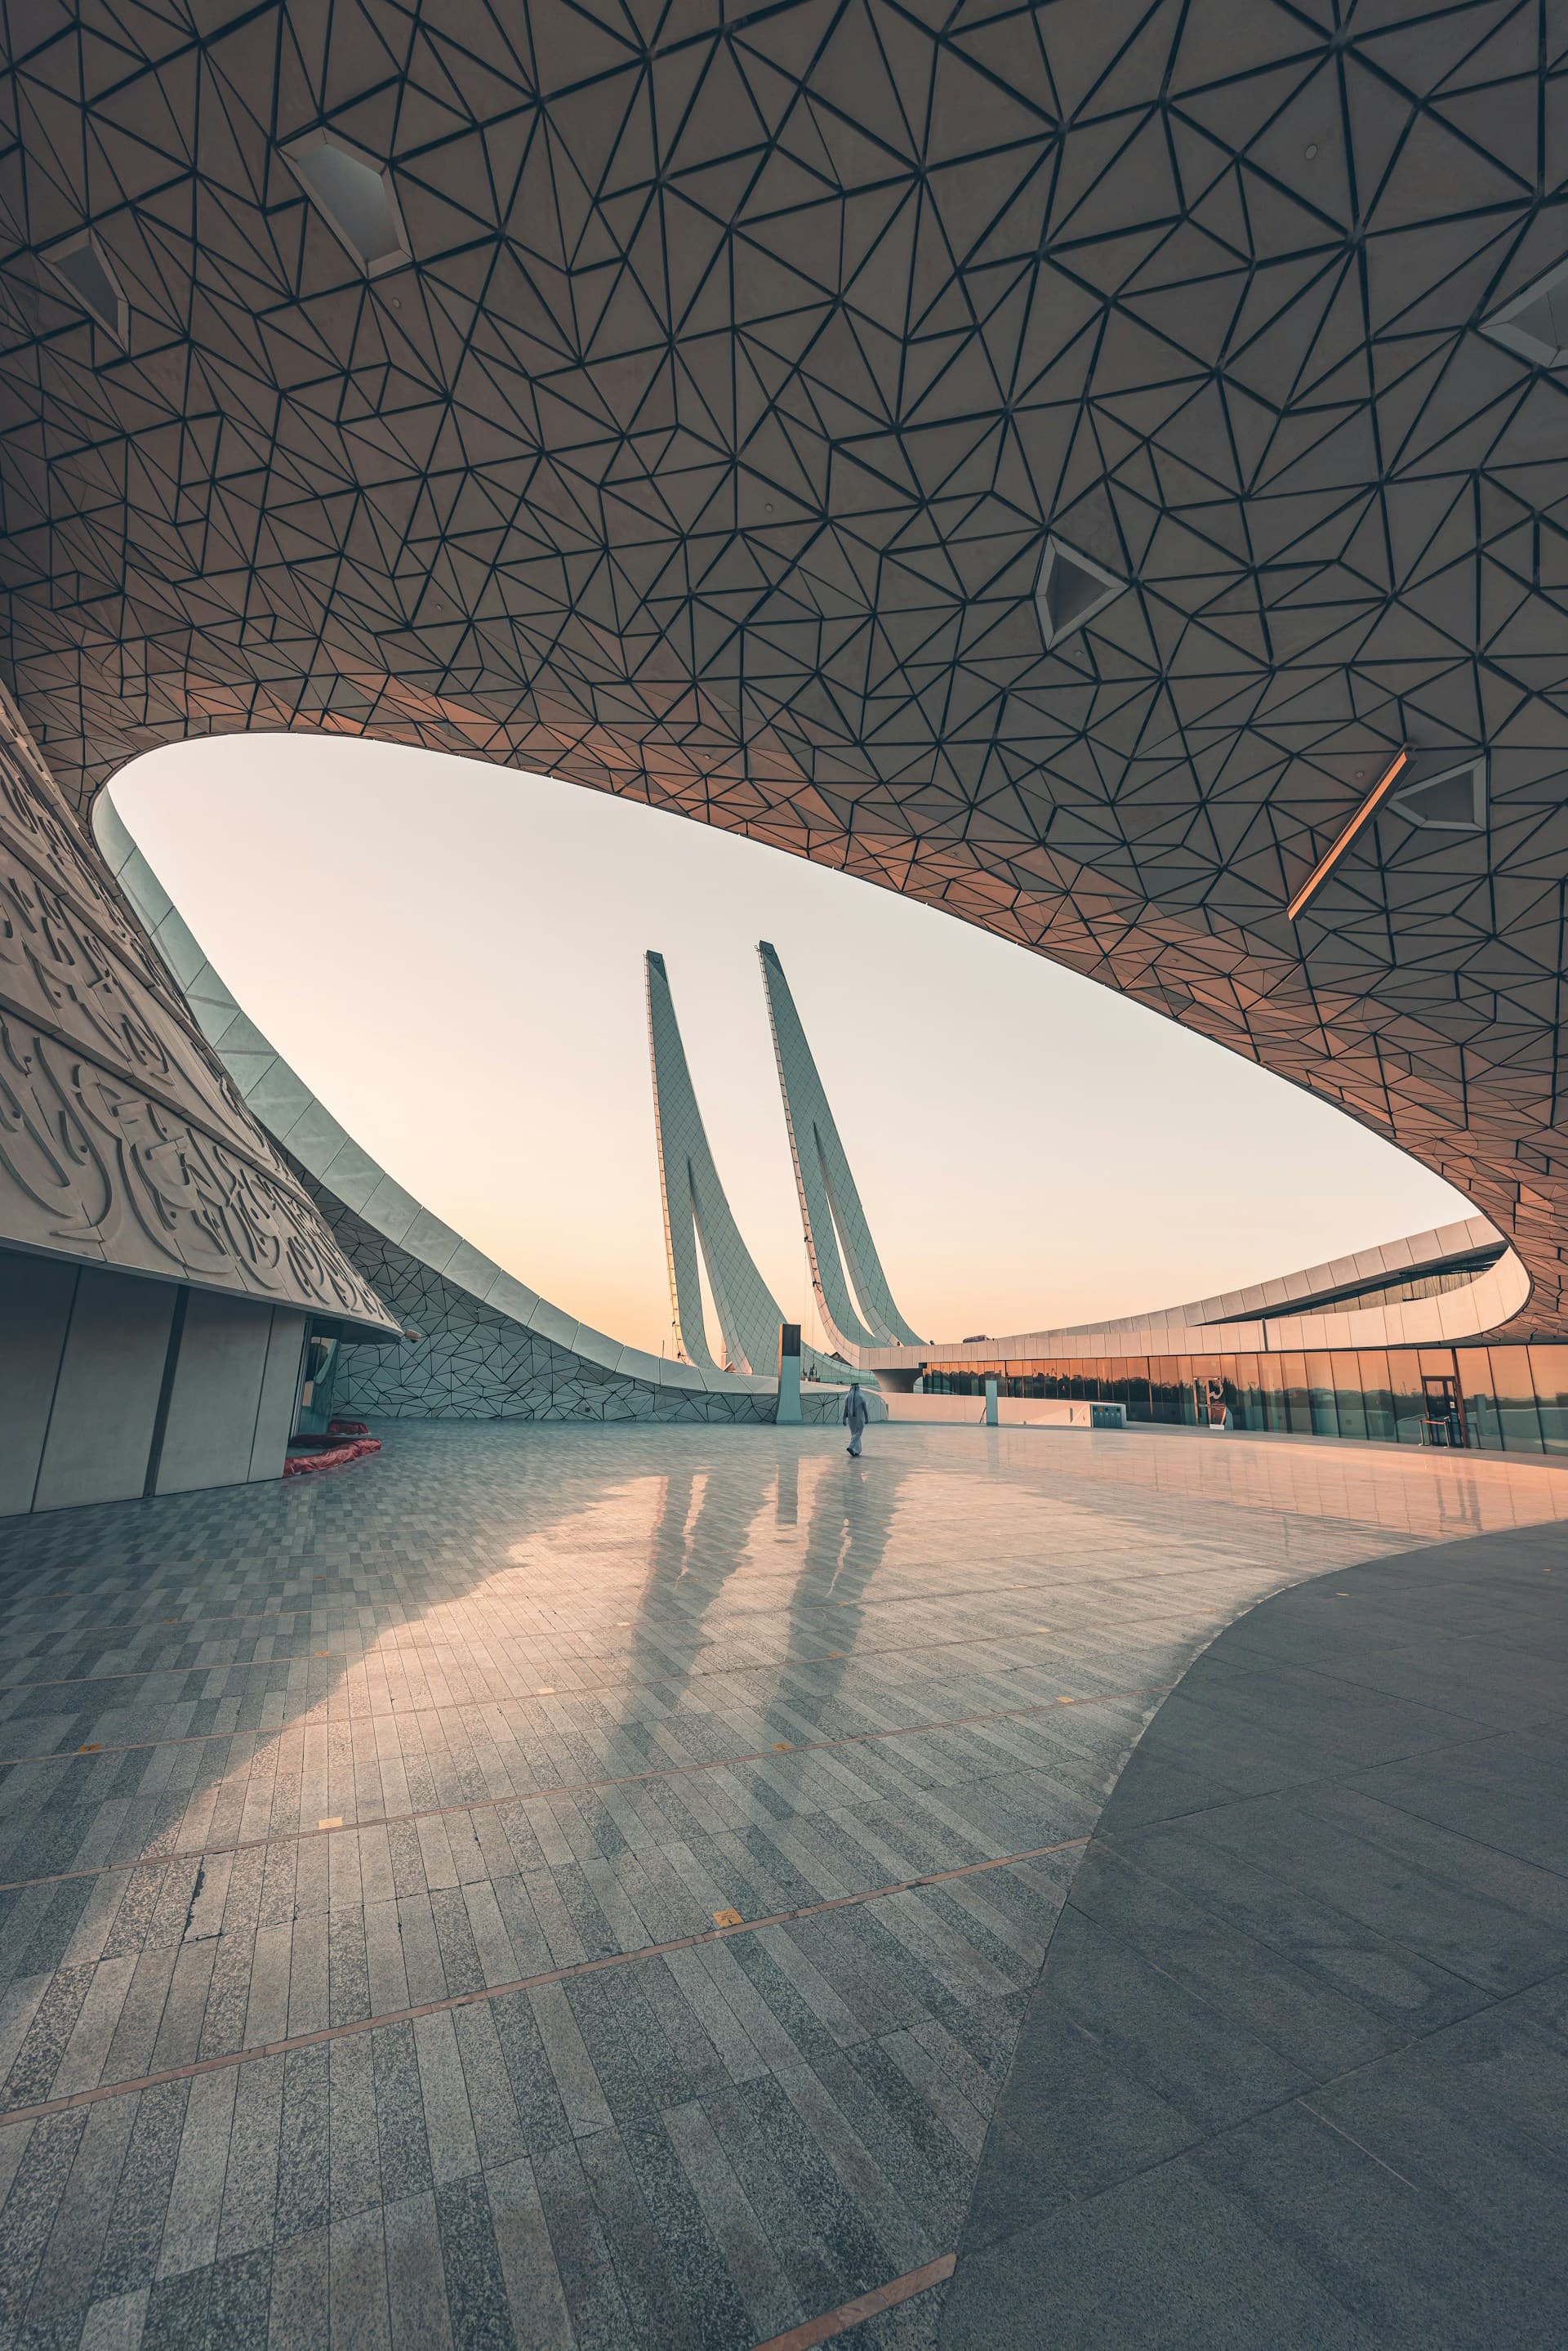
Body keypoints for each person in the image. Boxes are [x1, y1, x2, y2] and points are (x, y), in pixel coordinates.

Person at [842, 1381, 869, 1457]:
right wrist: (867, 1418)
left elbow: (845, 1409)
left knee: (854, 1434)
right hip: (859, 1418)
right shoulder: (861, 1396)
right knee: (858, 1433)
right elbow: (864, 1408)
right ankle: (851, 1447)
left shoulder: (848, 1397)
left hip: (851, 1420)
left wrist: (844, 1419)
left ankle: (856, 1451)